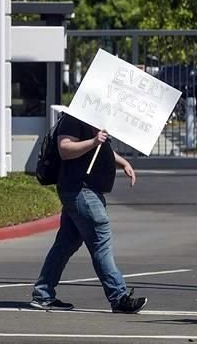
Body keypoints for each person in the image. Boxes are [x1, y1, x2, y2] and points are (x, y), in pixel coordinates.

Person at [30, 113, 147, 314]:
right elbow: (65, 148)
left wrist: (123, 163)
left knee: (65, 244)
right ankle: (119, 297)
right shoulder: (74, 118)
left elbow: (103, 150)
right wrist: (94, 140)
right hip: (79, 190)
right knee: (100, 241)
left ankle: (43, 294)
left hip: (86, 190)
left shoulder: (96, 120)